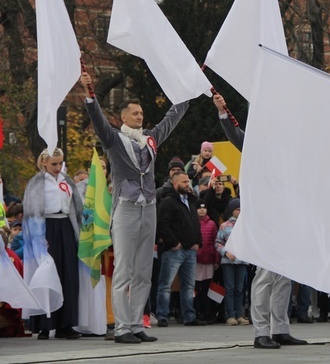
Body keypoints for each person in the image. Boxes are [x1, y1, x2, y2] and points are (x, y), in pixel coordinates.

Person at [80, 72, 188, 344]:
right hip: (126, 208)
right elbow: (98, 121)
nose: (140, 117)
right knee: (124, 269)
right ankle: (122, 328)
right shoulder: (114, 139)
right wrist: (90, 95)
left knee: (143, 271)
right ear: (124, 117)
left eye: (141, 113)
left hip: (148, 206)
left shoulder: (149, 139)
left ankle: (136, 323)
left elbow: (170, 121)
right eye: (135, 113)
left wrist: (187, 94)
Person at [213, 93, 307, 349]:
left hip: (286, 215)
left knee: (284, 276)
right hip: (265, 215)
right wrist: (223, 111)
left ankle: (280, 329)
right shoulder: (258, 144)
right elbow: (235, 135)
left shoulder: (290, 150)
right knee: (265, 275)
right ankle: (261, 332)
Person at [22, 148, 84, 340]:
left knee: (69, 275)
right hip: (46, 228)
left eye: (60, 163)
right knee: (47, 275)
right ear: (44, 163)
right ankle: (44, 324)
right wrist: (38, 236)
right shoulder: (36, 183)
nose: (58, 167)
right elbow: (31, 211)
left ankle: (66, 324)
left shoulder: (67, 182)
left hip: (66, 226)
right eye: (54, 164)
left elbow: (77, 208)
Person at [155, 171, 204, 327]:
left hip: (190, 250)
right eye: (183, 182)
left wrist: (198, 242)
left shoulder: (191, 201)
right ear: (175, 183)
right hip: (174, 250)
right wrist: (174, 243)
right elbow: (162, 224)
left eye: (188, 181)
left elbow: (196, 223)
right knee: (165, 284)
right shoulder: (168, 202)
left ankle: (189, 316)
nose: (187, 184)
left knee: (189, 286)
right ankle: (162, 315)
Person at [214, 198, 249, 326]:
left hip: (242, 261)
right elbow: (218, 243)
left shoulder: (246, 226)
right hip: (228, 261)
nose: (239, 212)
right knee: (230, 288)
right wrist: (226, 252)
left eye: (241, 209)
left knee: (240, 289)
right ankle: (230, 315)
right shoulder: (225, 225)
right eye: (237, 209)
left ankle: (239, 314)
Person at [195, 199, 219, 324]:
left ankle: (208, 312)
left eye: (204, 208)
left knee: (207, 288)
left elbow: (215, 241)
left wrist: (216, 260)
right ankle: (197, 312)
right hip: (196, 260)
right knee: (195, 288)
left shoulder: (212, 224)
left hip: (208, 260)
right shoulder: (193, 222)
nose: (202, 210)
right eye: (199, 208)